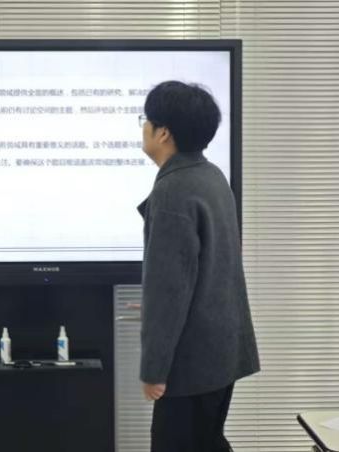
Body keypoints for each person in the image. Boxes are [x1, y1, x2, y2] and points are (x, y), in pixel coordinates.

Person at [137, 81, 260, 452]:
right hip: (222, 354)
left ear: (163, 133)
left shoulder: (173, 190)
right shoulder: (211, 175)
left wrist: (154, 370)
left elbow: (169, 291)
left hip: (191, 363)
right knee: (208, 442)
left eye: (146, 120)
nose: (143, 127)